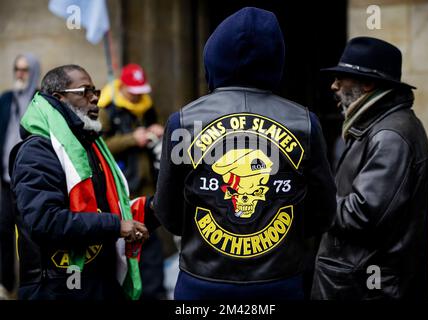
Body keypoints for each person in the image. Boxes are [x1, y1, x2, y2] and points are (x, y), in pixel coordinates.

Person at [152, 7, 336, 300]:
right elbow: (322, 212)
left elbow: (168, 212)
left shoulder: (184, 121)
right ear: (276, 62)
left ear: (213, 58)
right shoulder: (304, 122)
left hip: (203, 283)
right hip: (279, 283)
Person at [10, 64, 151, 300]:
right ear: (59, 98)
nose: (95, 97)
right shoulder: (37, 150)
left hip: (95, 283)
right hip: (56, 288)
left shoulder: (89, 143)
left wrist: (154, 209)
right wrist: (115, 226)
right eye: (85, 91)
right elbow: (45, 220)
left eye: (94, 90)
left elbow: (108, 207)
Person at [311, 37, 428, 300]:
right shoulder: (379, 126)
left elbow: (363, 215)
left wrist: (311, 196)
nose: (333, 86)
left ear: (367, 84)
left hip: (367, 289)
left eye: (341, 78)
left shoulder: (390, 134)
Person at [98, 63, 167, 299]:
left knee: (152, 248)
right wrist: (131, 139)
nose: (138, 96)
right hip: (123, 191)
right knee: (123, 249)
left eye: (141, 91)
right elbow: (100, 146)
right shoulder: (107, 109)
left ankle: (154, 294)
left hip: (148, 189)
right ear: (123, 87)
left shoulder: (146, 108)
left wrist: (156, 131)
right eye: (133, 91)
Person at [0, 53, 40, 298]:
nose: (20, 74)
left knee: (29, 236)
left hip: (30, 182)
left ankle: (30, 288)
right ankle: (5, 286)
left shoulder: (40, 102)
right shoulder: (6, 99)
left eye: (25, 69)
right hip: (5, 181)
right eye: (17, 68)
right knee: (2, 230)